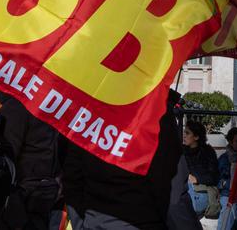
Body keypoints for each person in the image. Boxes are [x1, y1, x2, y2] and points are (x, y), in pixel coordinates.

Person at [62, 89, 181, 229]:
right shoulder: (157, 114)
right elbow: (172, 191)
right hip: (141, 222)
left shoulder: (87, 111)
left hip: (96, 222)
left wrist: (82, 224)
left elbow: (72, 178)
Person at [0, 92, 62, 230]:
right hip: (18, 208)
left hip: (41, 204)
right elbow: (2, 165)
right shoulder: (17, 108)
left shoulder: (52, 110)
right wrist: (19, 217)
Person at [183, 120, 221, 218]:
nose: (184, 135)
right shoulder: (182, 151)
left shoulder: (207, 153)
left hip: (201, 192)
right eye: (184, 132)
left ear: (196, 137)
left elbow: (214, 177)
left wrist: (197, 178)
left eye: (187, 133)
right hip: (187, 191)